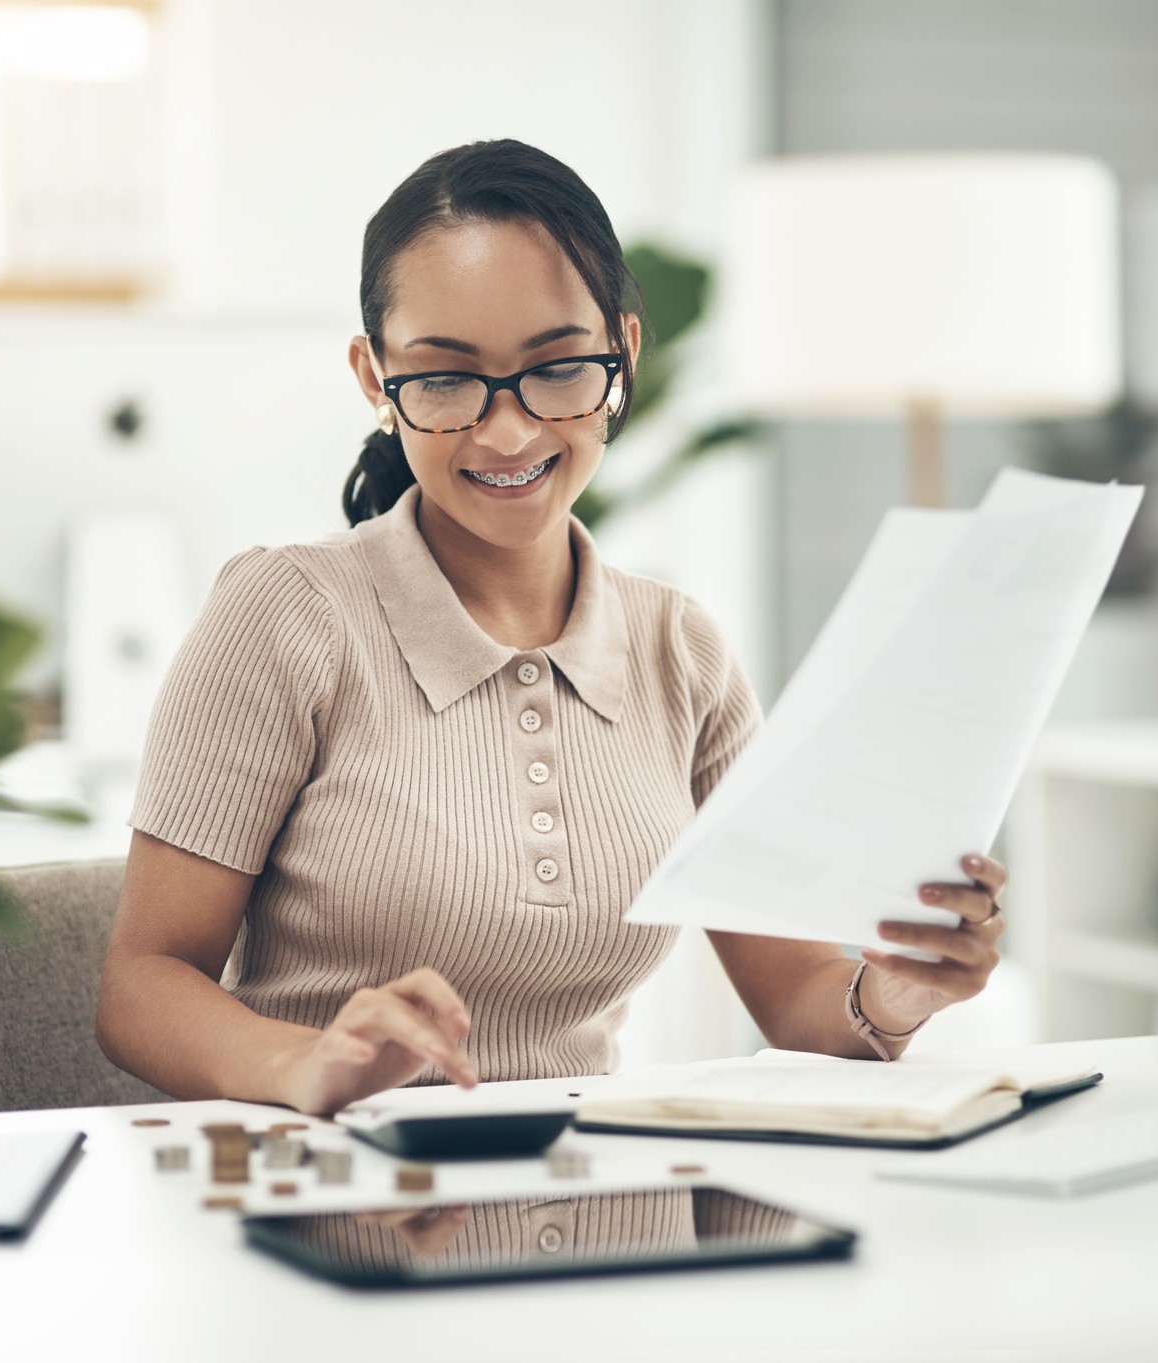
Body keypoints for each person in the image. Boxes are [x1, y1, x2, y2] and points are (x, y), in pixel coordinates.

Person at [95, 139, 1005, 1117]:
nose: (510, 432)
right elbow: (141, 986)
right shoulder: (288, 619)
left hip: (600, 1205)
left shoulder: (679, 649)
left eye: (558, 369)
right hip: (342, 1204)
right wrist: (304, 1065)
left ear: (624, 354)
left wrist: (893, 992)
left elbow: (793, 996)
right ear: (374, 376)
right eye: (444, 381)